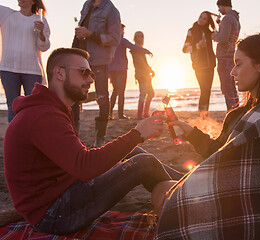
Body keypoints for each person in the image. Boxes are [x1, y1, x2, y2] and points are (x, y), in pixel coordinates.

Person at [3, 48, 183, 235]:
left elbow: (77, 161)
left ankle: (189, 183)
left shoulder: (51, 109)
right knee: (142, 164)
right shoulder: (44, 116)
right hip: (53, 215)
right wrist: (137, 134)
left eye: (91, 74)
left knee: (136, 154)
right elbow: (85, 166)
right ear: (60, 73)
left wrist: (134, 140)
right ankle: (191, 191)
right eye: (84, 72)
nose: (90, 80)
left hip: (63, 194)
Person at [155, 32, 260, 239]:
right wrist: (191, 133)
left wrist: (179, 193)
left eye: (238, 64)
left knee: (161, 189)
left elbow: (220, 166)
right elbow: (226, 158)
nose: (232, 72)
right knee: (153, 169)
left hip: (254, 213)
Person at [72, 0, 121, 146]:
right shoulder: (87, 4)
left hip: (99, 59)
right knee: (74, 96)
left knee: (102, 97)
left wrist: (91, 34)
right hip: (80, 57)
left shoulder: (111, 10)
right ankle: (74, 136)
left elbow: (115, 38)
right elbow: (81, 30)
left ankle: (100, 138)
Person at [0, 0, 50, 123]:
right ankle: (14, 140)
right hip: (8, 69)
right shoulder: (6, 14)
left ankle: (30, 139)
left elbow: (43, 47)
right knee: (13, 107)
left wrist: (42, 33)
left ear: (33, 1)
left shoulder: (40, 20)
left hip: (32, 70)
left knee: (32, 107)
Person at [108, 24, 153, 120]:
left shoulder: (110, 41)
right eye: (122, 31)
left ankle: (110, 113)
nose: (123, 33)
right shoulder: (122, 40)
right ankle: (120, 114)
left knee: (115, 91)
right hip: (121, 69)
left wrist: (108, 71)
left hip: (111, 69)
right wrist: (146, 51)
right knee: (121, 92)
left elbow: (107, 54)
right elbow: (133, 47)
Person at [183, 11, 216, 114]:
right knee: (204, 89)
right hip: (199, 65)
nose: (201, 19)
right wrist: (197, 46)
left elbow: (218, 36)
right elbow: (184, 49)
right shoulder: (191, 31)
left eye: (204, 18)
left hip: (210, 64)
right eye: (200, 17)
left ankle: (204, 113)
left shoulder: (209, 32)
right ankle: (202, 113)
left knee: (208, 90)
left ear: (208, 21)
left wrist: (218, 22)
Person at [212, 0, 240, 111]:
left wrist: (214, 36)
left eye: (219, 7)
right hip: (231, 54)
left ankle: (232, 112)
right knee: (232, 87)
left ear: (223, 5)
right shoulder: (235, 18)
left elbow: (223, 39)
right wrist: (220, 24)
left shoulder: (227, 19)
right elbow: (229, 34)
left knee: (226, 87)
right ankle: (236, 111)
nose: (218, 10)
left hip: (224, 56)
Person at [130, 31, 155, 119]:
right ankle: (140, 115)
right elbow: (140, 63)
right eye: (138, 36)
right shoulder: (135, 49)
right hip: (141, 74)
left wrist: (150, 70)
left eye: (141, 36)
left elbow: (144, 62)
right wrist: (149, 69)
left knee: (151, 93)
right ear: (135, 38)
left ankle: (145, 113)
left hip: (146, 74)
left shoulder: (140, 49)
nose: (140, 38)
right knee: (143, 94)